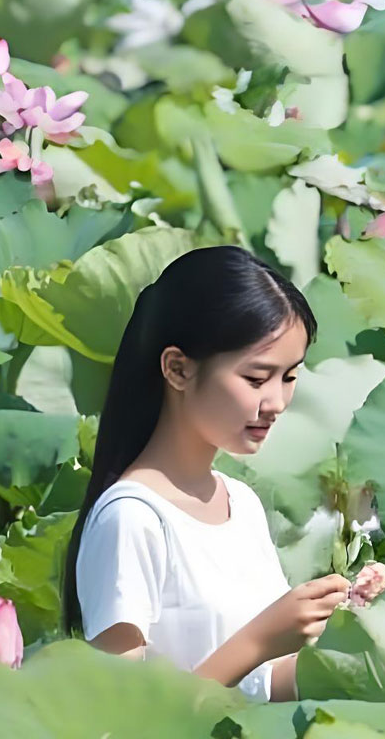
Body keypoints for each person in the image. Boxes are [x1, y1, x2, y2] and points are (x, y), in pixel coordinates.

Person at [63, 245, 351, 702]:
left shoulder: (242, 503)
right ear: (177, 368)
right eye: (256, 379)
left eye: (289, 377)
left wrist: (353, 645)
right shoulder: (132, 518)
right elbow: (116, 728)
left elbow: (263, 685)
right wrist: (259, 640)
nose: (275, 402)